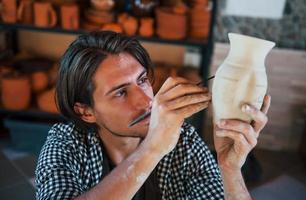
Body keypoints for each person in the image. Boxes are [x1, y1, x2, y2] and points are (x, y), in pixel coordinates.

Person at [35, 31, 271, 200]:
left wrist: (230, 171)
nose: (147, 100)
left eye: (143, 80)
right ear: (86, 111)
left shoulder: (183, 140)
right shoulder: (65, 143)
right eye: (120, 92)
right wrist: (152, 148)